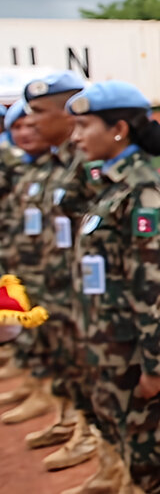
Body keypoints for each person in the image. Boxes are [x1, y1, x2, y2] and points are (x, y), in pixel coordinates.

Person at [66, 81, 160, 493]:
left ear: (118, 129)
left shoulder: (142, 194)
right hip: (110, 345)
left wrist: (157, 365)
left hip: (136, 352)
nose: (75, 136)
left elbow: (151, 288)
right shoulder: (109, 186)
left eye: (84, 126)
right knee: (133, 456)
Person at [19, 71, 100, 472]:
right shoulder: (56, 164)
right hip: (55, 283)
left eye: (37, 113)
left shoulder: (91, 163)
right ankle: (74, 422)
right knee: (66, 361)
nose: (29, 122)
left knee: (91, 371)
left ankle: (94, 441)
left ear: (68, 116)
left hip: (85, 292)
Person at [0, 101, 52, 406]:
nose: (24, 133)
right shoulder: (30, 166)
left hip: (45, 263)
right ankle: (37, 385)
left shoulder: (21, 162)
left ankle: (54, 401)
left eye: (30, 125)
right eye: (17, 127)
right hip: (20, 252)